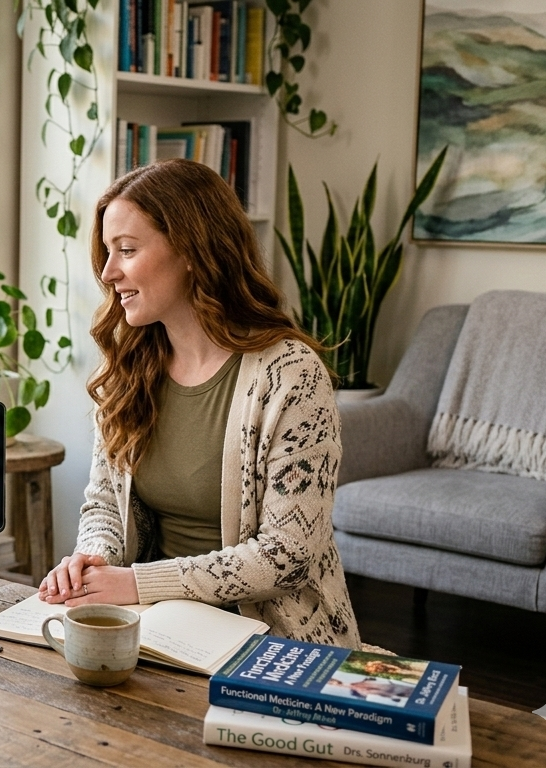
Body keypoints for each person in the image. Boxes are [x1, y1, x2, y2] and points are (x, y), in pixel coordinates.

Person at [39, 158, 360, 649]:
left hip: (272, 640)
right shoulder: (131, 365)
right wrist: (95, 560)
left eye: (126, 250)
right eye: (107, 252)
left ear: (192, 250)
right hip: (153, 628)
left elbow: (288, 554)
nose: (108, 272)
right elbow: (104, 503)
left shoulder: (290, 375)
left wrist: (137, 583)